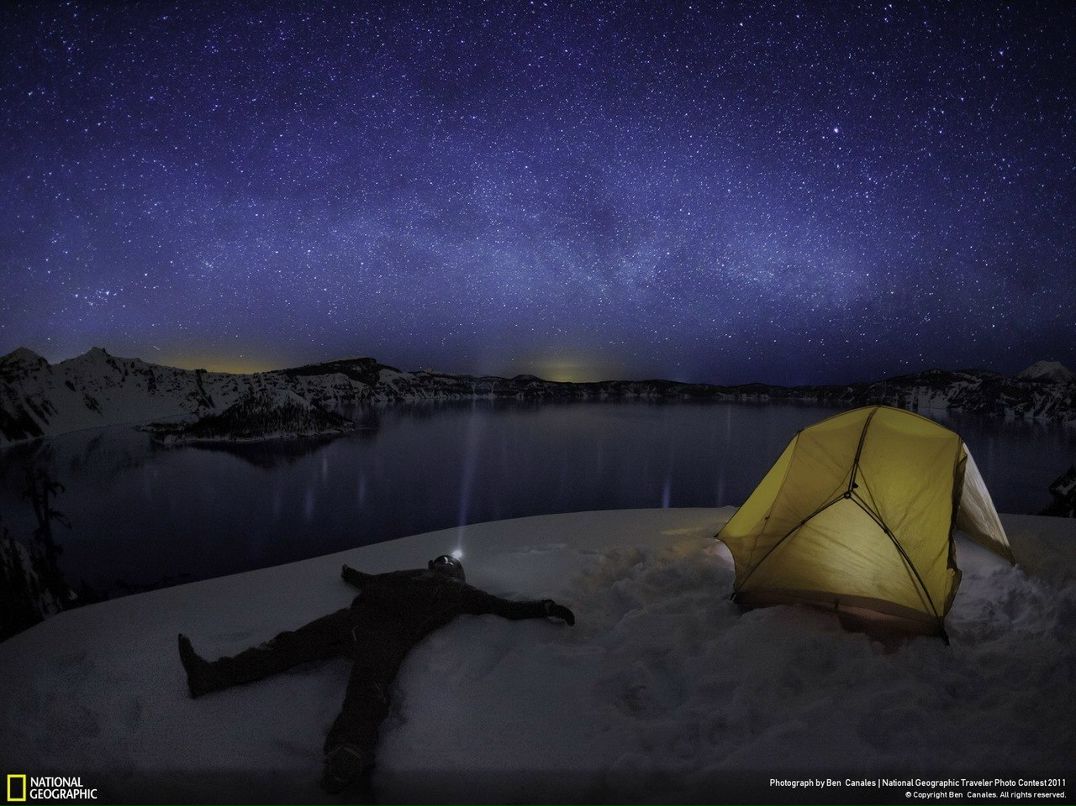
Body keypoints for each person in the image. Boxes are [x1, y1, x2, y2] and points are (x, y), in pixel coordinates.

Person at [177, 555, 576, 793]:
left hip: (382, 633)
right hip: (354, 619)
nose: (441, 567)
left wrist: (543, 606)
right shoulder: (410, 576)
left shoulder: (460, 594)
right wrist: (350, 573)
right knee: (287, 646)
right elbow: (370, 580)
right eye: (440, 563)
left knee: (369, 688)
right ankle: (211, 676)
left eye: (447, 565)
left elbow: (504, 607)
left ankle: (346, 756)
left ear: (454, 574)